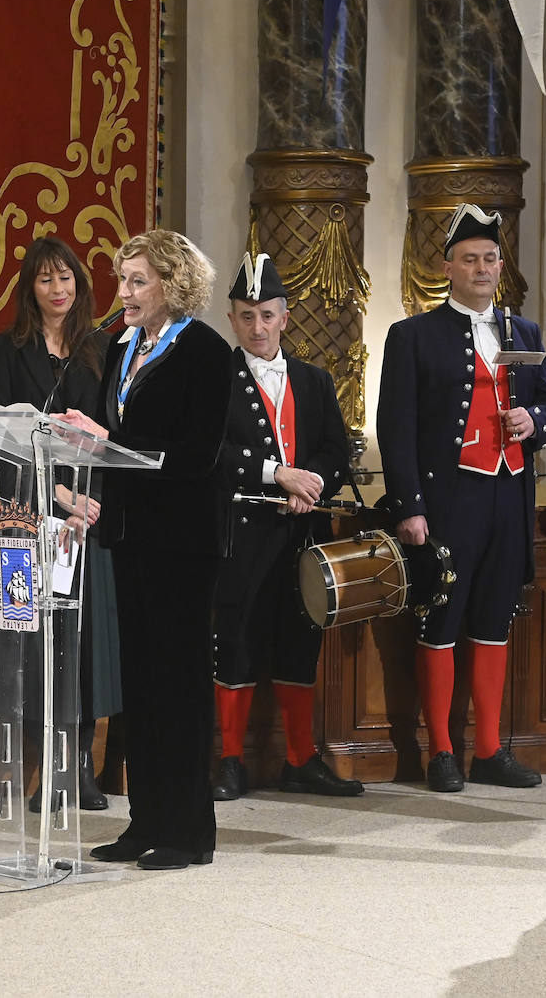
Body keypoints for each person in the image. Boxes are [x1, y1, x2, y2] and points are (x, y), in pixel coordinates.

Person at [61, 229, 233, 871]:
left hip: (183, 541)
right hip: (130, 535)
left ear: (173, 284)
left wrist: (107, 441)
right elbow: (121, 438)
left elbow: (199, 455)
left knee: (178, 685)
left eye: (138, 281)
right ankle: (146, 822)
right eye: (122, 280)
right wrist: (90, 447)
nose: (124, 293)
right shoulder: (121, 345)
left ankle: (189, 833)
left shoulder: (206, 352)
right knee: (140, 684)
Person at [377, 203, 546, 792]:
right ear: (448, 267)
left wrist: (534, 421)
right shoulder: (412, 335)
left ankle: (488, 751)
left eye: (489, 259)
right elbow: (396, 427)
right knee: (441, 618)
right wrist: (409, 506)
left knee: (494, 619)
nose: (481, 268)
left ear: (501, 266)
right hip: (449, 497)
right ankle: (440, 751)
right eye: (469, 259)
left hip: (510, 495)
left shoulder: (524, 333)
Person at [210, 252, 364, 800]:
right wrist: (278, 475)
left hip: (303, 537)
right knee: (237, 641)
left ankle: (300, 760)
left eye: (267, 315)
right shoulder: (216, 380)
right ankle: (230, 761)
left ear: (285, 317)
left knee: (301, 642)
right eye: (247, 316)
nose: (258, 327)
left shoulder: (315, 380)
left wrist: (311, 483)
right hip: (242, 534)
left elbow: (336, 451)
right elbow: (212, 452)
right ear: (232, 319)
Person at [0, 234, 119, 814]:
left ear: (79, 284)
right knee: (38, 646)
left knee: (84, 646)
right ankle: (46, 769)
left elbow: (114, 437)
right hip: (28, 518)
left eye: (65, 277)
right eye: (46, 279)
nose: (57, 288)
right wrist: (59, 496)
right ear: (30, 289)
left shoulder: (104, 349)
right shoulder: (7, 349)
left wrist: (91, 503)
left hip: (91, 521)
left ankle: (81, 766)